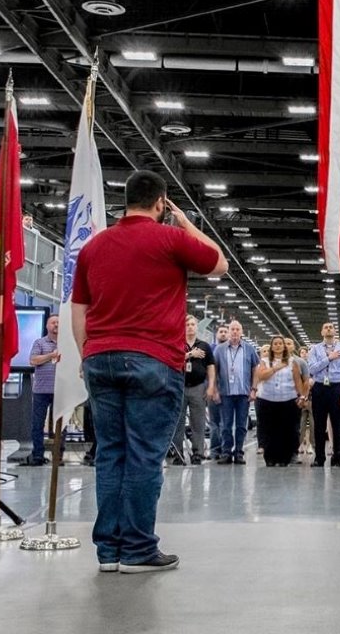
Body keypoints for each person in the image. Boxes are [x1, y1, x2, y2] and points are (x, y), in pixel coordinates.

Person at [70, 170, 226, 573]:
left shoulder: (93, 246)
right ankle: (138, 549)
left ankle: (108, 551)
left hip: (100, 357)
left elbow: (79, 309)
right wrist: (185, 221)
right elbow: (218, 263)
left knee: (110, 454)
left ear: (126, 201)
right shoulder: (170, 238)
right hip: (153, 360)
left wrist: (86, 354)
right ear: (160, 203)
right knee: (143, 455)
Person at [306, 322, 340, 467]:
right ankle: (319, 457)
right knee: (319, 425)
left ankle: (338, 456)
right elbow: (312, 369)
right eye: (326, 327)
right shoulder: (314, 349)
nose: (328, 329)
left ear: (335, 331)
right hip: (319, 388)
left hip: (337, 388)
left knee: (337, 424)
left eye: (331, 327)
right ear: (322, 332)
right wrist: (329, 358)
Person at [211, 321, 259, 465]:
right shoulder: (219, 349)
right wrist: (214, 390)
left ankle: (239, 452)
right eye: (232, 329)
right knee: (225, 425)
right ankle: (226, 452)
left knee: (241, 425)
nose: (235, 332)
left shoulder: (249, 349)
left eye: (238, 329)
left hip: (243, 393)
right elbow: (214, 370)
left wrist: (254, 389)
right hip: (226, 393)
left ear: (241, 332)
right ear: (229, 331)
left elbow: (255, 369)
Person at [253, 334, 304, 466]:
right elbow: (261, 376)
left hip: (288, 399)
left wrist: (301, 396)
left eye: (280, 343)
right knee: (269, 429)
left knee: (286, 429)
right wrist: (276, 367)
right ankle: (270, 458)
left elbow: (297, 380)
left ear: (284, 346)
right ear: (271, 347)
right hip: (267, 399)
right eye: (275, 344)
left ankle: (284, 458)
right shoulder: (264, 361)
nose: (278, 346)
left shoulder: (292, 362)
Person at [177, 316, 214, 465]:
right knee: (178, 422)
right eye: (187, 324)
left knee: (198, 422)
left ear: (197, 327)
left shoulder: (204, 346)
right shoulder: (177, 344)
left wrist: (211, 386)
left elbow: (211, 367)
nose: (190, 327)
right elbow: (172, 360)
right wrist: (190, 354)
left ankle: (198, 452)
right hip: (180, 387)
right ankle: (178, 453)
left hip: (198, 387)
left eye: (193, 324)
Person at [26, 314, 61, 466]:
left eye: (58, 322)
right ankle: (38, 455)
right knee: (38, 424)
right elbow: (33, 360)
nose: (56, 325)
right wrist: (51, 355)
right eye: (53, 322)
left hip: (60, 390)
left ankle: (58, 456)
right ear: (47, 326)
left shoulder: (66, 344)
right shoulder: (39, 343)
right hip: (41, 390)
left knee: (61, 425)